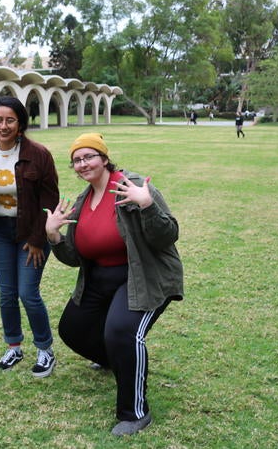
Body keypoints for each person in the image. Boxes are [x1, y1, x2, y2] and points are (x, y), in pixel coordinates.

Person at [45, 133, 184, 436]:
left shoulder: (133, 186)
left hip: (143, 278)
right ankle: (114, 359)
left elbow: (168, 234)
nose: (83, 164)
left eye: (89, 156)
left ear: (104, 158)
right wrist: (54, 236)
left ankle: (135, 413)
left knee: (122, 331)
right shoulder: (82, 201)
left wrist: (147, 205)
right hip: (100, 279)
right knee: (72, 329)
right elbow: (74, 257)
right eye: (76, 160)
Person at [0, 96, 59, 377]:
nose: (3, 126)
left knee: (27, 293)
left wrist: (37, 239)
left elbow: (49, 200)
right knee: (7, 294)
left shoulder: (38, 154)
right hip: (2, 232)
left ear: (20, 124)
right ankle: (14, 347)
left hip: (32, 231)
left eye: (10, 120)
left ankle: (45, 349)